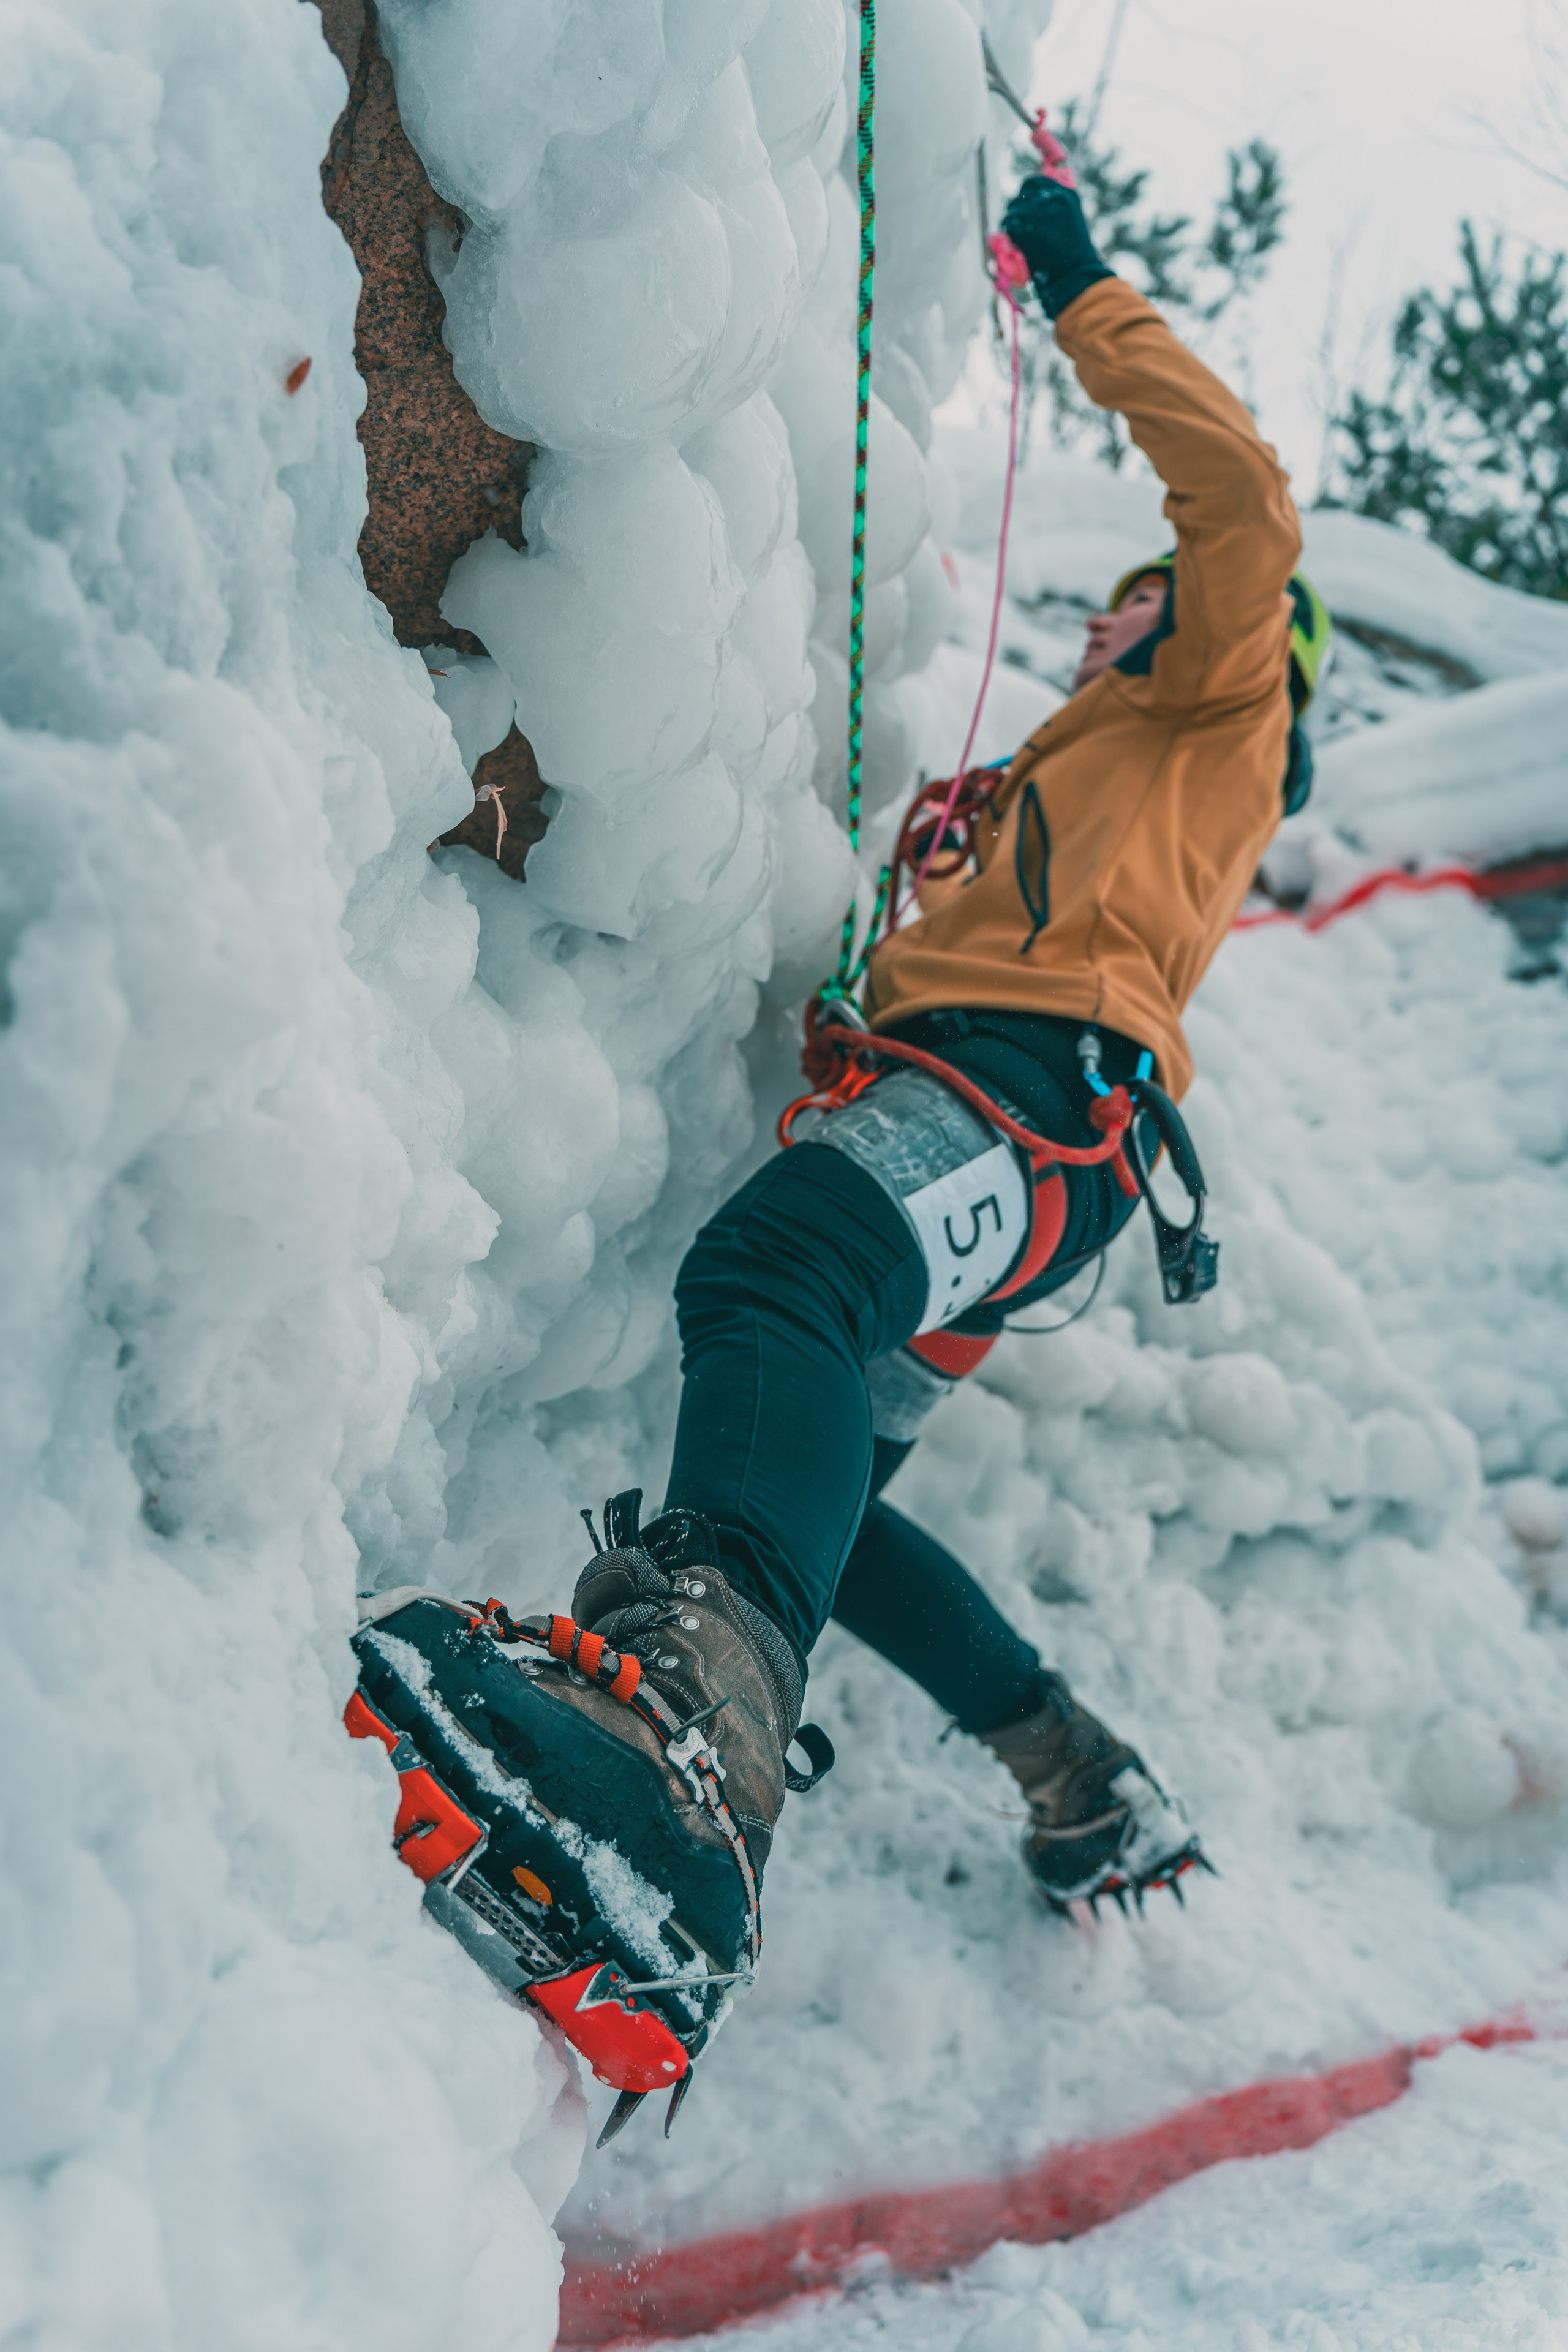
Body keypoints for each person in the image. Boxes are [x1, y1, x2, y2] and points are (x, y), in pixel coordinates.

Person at [368, 159, 1335, 2078]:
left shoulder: (1223, 695)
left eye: (1133, 604)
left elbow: (1242, 508)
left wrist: (1075, 282)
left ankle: (685, 1756)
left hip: (1040, 1096)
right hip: (1011, 1110)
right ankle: (1078, 1774)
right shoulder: (1090, 772)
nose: (1105, 621)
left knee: (781, 1267)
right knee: (829, 1504)